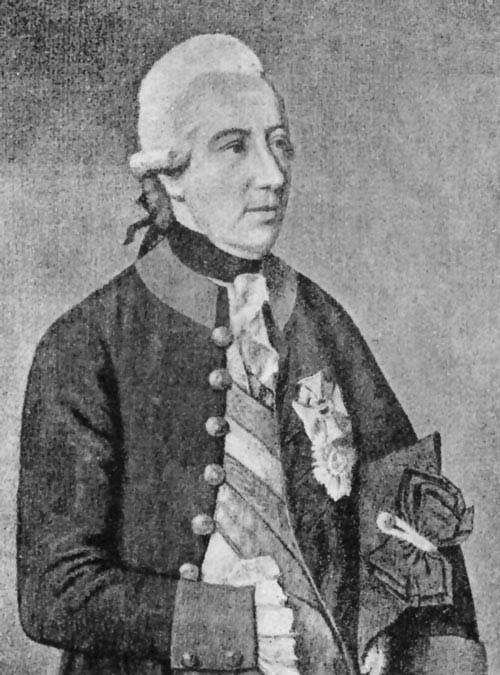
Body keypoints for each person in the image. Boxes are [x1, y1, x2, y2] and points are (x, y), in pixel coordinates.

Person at [17, 34, 487, 675]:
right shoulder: (85, 343)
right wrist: (230, 625)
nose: (273, 175)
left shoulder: (319, 318)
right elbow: (53, 592)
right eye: (235, 146)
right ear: (170, 176)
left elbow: (413, 519)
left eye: (279, 143)